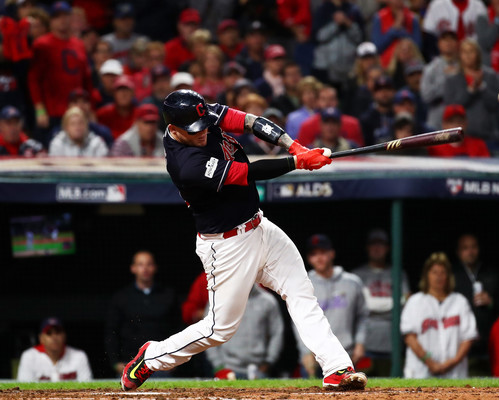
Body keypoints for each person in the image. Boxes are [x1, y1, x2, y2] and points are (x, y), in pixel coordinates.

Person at [119, 89, 368, 391]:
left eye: (204, 125)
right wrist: (298, 162)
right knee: (219, 329)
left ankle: (336, 368)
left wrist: (296, 146)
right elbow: (249, 173)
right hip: (227, 245)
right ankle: (152, 356)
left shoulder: (202, 114)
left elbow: (251, 122)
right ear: (173, 130)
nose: (203, 133)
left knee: (301, 293)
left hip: (260, 226)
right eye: (194, 131)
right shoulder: (188, 165)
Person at [300, 234, 368, 378]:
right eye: (313, 254)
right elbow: (298, 321)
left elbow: (362, 316)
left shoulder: (352, 282)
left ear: (332, 253)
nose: (319, 258)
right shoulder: (303, 284)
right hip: (315, 356)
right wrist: (304, 351)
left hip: (347, 354)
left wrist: (360, 342)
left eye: (323, 252)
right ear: (308, 258)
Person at [401, 252, 478, 378]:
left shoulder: (460, 301)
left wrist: (451, 363)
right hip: (421, 372)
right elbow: (409, 337)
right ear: (427, 275)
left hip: (454, 372)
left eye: (443, 272)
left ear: (448, 276)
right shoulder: (415, 301)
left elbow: (468, 337)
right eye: (434, 272)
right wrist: (430, 362)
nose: (439, 277)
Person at [106, 250, 180, 377]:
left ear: (155, 268)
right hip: (129, 364)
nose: (145, 268)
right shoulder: (121, 297)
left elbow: (178, 329)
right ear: (133, 268)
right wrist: (114, 362)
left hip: (161, 364)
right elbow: (111, 332)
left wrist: (177, 360)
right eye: (140, 264)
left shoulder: (168, 295)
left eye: (149, 264)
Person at [28, 1, 93, 144]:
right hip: (52, 112)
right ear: (51, 21)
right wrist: (40, 110)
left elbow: (86, 79)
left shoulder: (79, 44)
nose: (62, 20)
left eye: (65, 15)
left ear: (71, 18)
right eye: (57, 17)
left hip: (77, 112)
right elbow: (33, 79)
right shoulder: (41, 44)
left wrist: (91, 109)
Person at [353, 229, 410, 376]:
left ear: (388, 248)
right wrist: (394, 303)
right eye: (373, 244)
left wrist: (372, 305)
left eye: (381, 244)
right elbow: (362, 307)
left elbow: (407, 302)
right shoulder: (357, 275)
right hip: (364, 345)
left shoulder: (398, 273)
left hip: (393, 343)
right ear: (367, 248)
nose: (377, 248)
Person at [206, 284, 284, 379]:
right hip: (228, 369)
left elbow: (276, 333)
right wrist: (219, 366)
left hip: (259, 371)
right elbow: (208, 332)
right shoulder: (219, 300)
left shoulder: (268, 301)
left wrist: (269, 361)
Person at [452, 233, 499, 375]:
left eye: (473, 247)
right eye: (465, 248)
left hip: (488, 340)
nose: (470, 251)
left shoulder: (491, 273)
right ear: (458, 252)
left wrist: (492, 302)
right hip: (460, 342)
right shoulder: (451, 276)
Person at [443, 39, 499, 150]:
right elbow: (451, 108)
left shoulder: (490, 76)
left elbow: (496, 105)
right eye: (464, 52)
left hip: (488, 135)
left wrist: (482, 87)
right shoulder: (452, 79)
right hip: (462, 139)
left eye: (471, 51)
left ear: (478, 54)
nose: (468, 56)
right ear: (460, 55)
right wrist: (470, 91)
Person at [17, 317, 92, 382]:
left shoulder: (79, 356)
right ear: (41, 338)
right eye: (49, 333)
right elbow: (23, 391)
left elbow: (87, 388)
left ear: (64, 336)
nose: (54, 337)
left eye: (58, 332)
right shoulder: (29, 356)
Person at [420, 30, 460, 130]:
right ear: (438, 44)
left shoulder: (464, 66)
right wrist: (446, 79)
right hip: (437, 120)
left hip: (460, 118)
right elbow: (426, 96)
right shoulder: (430, 68)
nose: (448, 42)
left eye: (452, 39)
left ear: (457, 43)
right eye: (445, 39)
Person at [371, 0, 422, 69]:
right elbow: (377, 47)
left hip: (410, 65)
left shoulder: (413, 18)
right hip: (386, 66)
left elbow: (417, 47)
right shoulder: (379, 17)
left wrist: (401, 31)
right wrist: (394, 29)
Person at [96, 75, 137, 139]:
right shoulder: (103, 114)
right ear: (114, 94)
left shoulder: (139, 115)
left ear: (133, 93)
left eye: (126, 90)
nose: (123, 94)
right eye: (120, 90)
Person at [359, 75, 396, 145]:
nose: (384, 92)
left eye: (387, 89)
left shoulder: (399, 114)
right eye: (379, 90)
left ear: (394, 92)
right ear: (373, 94)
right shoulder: (366, 119)